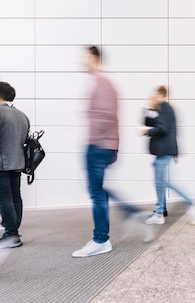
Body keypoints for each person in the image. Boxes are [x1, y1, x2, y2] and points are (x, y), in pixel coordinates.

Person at [72, 46, 120, 258]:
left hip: (99, 145)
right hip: (103, 145)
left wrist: (96, 143)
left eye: (85, 57)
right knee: (98, 191)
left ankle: (101, 239)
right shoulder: (103, 83)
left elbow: (105, 116)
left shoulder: (101, 83)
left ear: (94, 58)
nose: (82, 61)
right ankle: (102, 237)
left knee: (97, 193)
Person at [142, 86, 195, 225]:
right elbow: (149, 123)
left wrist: (146, 132)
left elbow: (163, 128)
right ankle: (160, 212)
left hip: (164, 151)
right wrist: (149, 108)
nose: (153, 97)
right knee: (159, 183)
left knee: (164, 182)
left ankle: (194, 205)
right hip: (162, 151)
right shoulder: (160, 109)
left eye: (155, 95)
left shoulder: (165, 107)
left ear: (161, 94)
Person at [0, 81, 30, 248]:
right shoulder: (21, 115)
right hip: (17, 162)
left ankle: (11, 235)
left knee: (4, 199)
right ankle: (13, 231)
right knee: (15, 197)